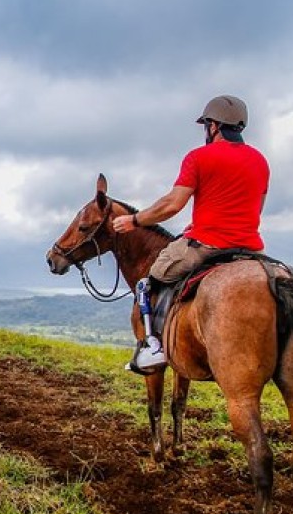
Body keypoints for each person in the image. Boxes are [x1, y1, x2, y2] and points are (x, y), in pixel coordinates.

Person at [111, 94, 269, 373]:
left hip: (208, 244)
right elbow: (256, 208)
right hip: (251, 249)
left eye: (206, 125)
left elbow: (172, 204)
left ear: (213, 126)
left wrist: (134, 220)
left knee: (150, 280)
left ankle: (153, 348)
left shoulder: (198, 157)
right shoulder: (260, 161)